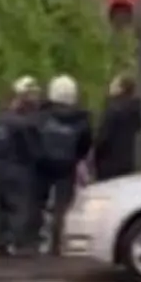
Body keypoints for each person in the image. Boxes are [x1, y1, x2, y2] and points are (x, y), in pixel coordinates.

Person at [31, 74, 92, 256]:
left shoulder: (41, 116)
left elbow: (32, 137)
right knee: (62, 206)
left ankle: (33, 240)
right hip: (67, 165)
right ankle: (56, 244)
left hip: (42, 165)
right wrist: (75, 158)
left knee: (36, 203)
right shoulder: (81, 119)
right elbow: (86, 143)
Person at [0, 88, 39, 256]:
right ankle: (18, 241)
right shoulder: (20, 123)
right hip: (16, 167)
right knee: (18, 205)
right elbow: (29, 147)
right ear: (14, 102)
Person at [93, 74, 141, 181]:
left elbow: (103, 137)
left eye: (114, 84)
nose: (111, 86)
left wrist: (95, 153)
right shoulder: (134, 109)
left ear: (121, 89)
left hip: (108, 163)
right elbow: (139, 127)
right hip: (127, 160)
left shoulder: (112, 109)